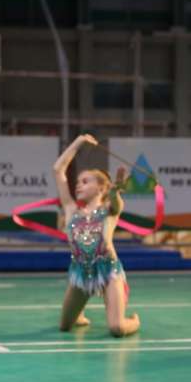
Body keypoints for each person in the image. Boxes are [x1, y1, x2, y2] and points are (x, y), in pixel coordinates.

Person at [52, 134, 140, 337]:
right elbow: (58, 169)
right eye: (77, 182)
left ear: (101, 187)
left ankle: (134, 321)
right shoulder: (71, 210)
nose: (78, 185)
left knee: (117, 329)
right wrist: (79, 142)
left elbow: (115, 202)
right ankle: (79, 315)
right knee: (65, 326)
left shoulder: (110, 210)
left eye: (85, 181)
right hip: (81, 272)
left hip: (108, 271)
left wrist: (115, 190)